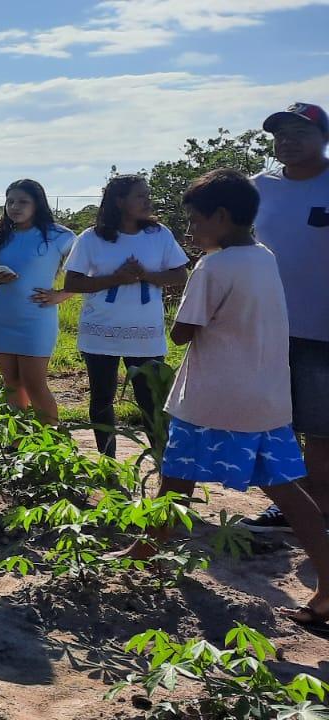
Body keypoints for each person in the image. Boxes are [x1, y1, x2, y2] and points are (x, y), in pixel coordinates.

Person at [132, 169, 328, 628]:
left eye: (195, 221)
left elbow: (181, 335)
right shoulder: (263, 256)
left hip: (214, 397)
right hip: (264, 396)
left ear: (221, 217)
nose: (192, 230)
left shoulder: (213, 266)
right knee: (287, 491)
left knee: (176, 475)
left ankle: (149, 546)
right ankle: (327, 584)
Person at [242, 102, 329, 534]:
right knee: (277, 424)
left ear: (324, 138)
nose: (288, 141)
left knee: (322, 429)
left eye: (300, 132)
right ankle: (292, 509)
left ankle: (321, 511)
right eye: (281, 134)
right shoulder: (257, 188)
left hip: (323, 331)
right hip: (268, 328)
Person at [61, 175, 189, 458]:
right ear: (119, 201)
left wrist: (146, 276)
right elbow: (73, 283)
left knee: (152, 402)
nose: (148, 201)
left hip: (146, 335)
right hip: (100, 334)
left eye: (148, 195)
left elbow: (181, 274)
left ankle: (161, 466)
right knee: (102, 400)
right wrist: (116, 279)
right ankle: (108, 465)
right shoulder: (91, 238)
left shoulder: (159, 234)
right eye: (140, 196)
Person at [0, 179, 77, 425]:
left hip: (37, 318)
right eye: (10, 201)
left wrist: (61, 294)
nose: (15, 207)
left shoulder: (60, 236)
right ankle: (17, 443)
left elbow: (88, 273)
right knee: (11, 383)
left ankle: (50, 442)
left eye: (23, 201)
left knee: (34, 383)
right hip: (2, 317)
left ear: (38, 204)